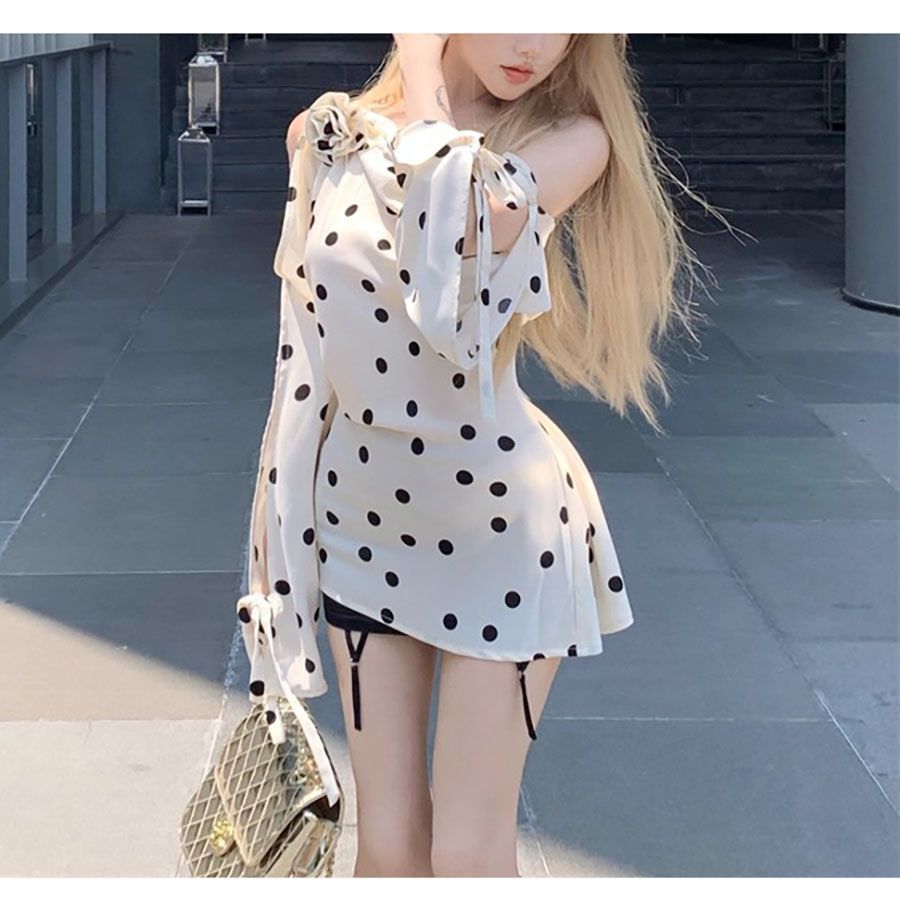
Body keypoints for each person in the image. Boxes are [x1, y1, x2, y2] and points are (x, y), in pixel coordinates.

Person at [238, 33, 717, 878]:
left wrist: (423, 64)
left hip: (504, 530)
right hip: (360, 522)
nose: (535, 43)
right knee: (387, 848)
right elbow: (303, 362)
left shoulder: (571, 141)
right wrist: (273, 561)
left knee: (467, 855)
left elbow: (455, 235)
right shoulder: (329, 135)